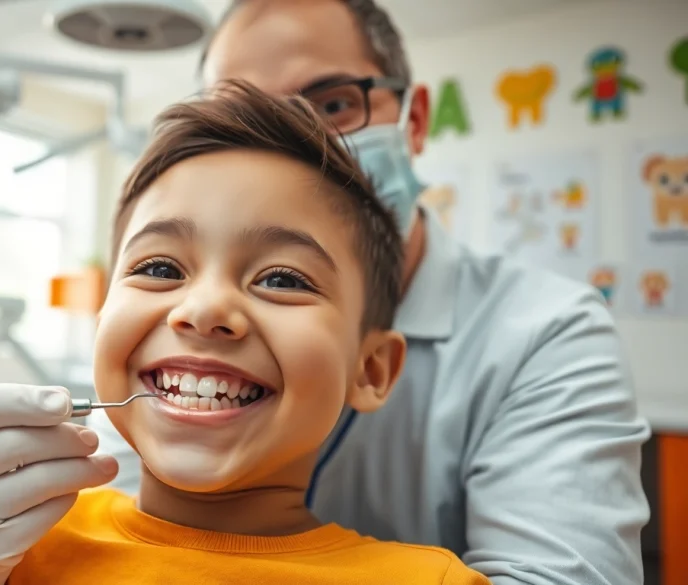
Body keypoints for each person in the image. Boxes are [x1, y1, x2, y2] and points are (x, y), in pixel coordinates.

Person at [81, 1, 651, 584]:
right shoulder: (157, 361)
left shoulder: (546, 331)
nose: (284, 144)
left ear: (415, 119)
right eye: (241, 112)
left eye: (331, 105)